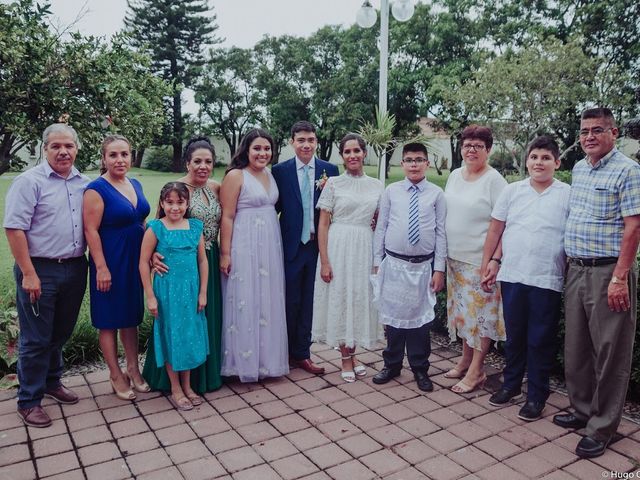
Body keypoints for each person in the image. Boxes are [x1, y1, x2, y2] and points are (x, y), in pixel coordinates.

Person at [552, 108, 640, 458]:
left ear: (613, 132)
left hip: (608, 273)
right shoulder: (579, 168)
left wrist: (620, 277)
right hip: (577, 270)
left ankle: (602, 427)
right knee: (577, 346)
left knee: (610, 350)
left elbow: (633, 228)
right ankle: (582, 409)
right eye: (584, 131)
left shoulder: (629, 171)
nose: (589, 136)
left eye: (597, 130)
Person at [4, 124, 89, 427]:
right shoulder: (29, 182)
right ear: (44, 149)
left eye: (68, 145)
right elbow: (14, 228)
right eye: (55, 146)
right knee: (37, 338)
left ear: (77, 148)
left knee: (61, 332)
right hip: (39, 268)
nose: (63, 151)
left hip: (76, 267)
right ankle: (28, 400)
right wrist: (28, 273)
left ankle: (52, 382)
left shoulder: (85, 183)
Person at [480, 136, 570, 421]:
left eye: (546, 158)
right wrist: (491, 263)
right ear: (527, 161)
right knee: (515, 336)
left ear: (557, 162)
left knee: (540, 340)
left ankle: (537, 396)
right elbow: (497, 231)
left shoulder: (567, 194)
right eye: (534, 157)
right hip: (514, 275)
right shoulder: (512, 191)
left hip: (547, 278)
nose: (539, 162)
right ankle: (511, 386)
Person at [144, 137, 223, 393]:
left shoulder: (216, 187)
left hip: (206, 260)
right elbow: (158, 224)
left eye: (208, 161)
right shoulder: (177, 190)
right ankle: (171, 382)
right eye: (197, 161)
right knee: (176, 324)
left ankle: (207, 377)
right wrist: (153, 255)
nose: (203, 166)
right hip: (178, 267)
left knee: (202, 321)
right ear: (187, 162)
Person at [371, 143, 446, 392]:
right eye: (409, 160)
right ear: (401, 164)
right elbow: (381, 227)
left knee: (419, 323)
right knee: (393, 319)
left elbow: (441, 233)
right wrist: (376, 262)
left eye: (419, 159)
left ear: (427, 163)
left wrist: (439, 269)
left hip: (422, 267)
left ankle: (420, 368)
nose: (414, 164)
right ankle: (391, 364)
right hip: (394, 264)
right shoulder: (392, 191)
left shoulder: (436, 194)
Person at [312, 133, 384, 382]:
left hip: (364, 245)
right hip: (338, 245)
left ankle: (353, 355)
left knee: (358, 297)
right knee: (341, 297)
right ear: (341, 156)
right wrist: (325, 260)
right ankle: (345, 357)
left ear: (364, 153)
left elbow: (379, 221)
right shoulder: (333, 184)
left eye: (357, 151)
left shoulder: (376, 185)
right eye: (347, 152)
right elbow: (322, 225)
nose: (352, 156)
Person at [84, 135, 151, 402]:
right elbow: (90, 230)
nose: (119, 159)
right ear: (104, 159)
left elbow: (142, 222)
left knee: (131, 317)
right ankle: (115, 374)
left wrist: (150, 254)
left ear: (131, 156)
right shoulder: (96, 189)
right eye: (113, 155)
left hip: (135, 259)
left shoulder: (135, 183)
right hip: (111, 259)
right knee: (109, 319)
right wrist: (101, 267)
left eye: (124, 154)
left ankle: (133, 368)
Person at [219, 129, 289, 382]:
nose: (263, 153)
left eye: (267, 148)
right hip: (244, 243)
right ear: (246, 150)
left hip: (269, 244)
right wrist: (225, 253)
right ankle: (241, 362)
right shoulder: (236, 176)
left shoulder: (270, 174)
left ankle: (265, 362)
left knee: (266, 298)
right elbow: (226, 216)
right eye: (257, 148)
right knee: (245, 297)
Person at [444, 124, 507, 394]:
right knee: (463, 316)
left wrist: (494, 260)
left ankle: (477, 371)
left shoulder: (495, 181)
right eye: (467, 145)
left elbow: (506, 224)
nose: (471, 150)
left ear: (488, 150)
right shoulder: (455, 176)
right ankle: (465, 360)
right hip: (454, 260)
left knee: (481, 318)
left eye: (478, 146)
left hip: (479, 263)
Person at [272, 121, 339, 374]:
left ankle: (303, 353)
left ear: (316, 142)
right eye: (301, 140)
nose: (306, 145)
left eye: (311, 140)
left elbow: (337, 206)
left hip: (317, 246)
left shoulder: (329, 170)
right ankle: (284, 351)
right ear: (292, 142)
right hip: (289, 246)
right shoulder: (279, 171)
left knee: (312, 301)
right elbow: (272, 208)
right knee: (289, 300)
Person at [139, 182, 209, 411]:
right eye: (169, 202)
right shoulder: (156, 228)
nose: (175, 208)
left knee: (188, 336)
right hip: (167, 293)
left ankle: (188, 385)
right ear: (161, 203)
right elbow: (142, 262)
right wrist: (150, 295)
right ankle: (175, 388)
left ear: (187, 204)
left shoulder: (195, 227)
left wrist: (203, 292)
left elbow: (202, 260)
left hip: (190, 292)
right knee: (171, 336)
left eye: (180, 202)